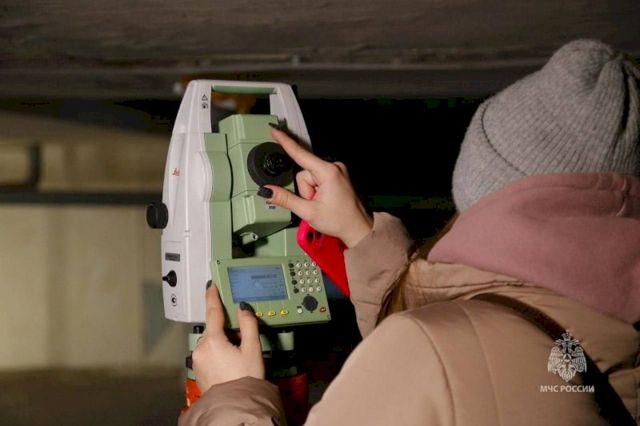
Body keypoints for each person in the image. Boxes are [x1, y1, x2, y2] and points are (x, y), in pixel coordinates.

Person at [179, 39, 640, 425]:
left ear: (479, 179)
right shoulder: (608, 328)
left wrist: (233, 398)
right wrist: (362, 236)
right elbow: (478, 359)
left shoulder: (427, 350)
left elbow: (449, 355)